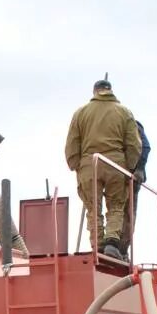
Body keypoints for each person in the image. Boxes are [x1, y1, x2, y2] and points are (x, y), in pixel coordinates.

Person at [64, 76, 144, 260]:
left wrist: (75, 164)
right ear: (110, 90)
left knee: (93, 208)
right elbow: (134, 144)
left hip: (88, 164)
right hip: (116, 165)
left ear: (95, 91)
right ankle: (112, 243)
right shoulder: (124, 112)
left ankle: (98, 246)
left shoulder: (80, 113)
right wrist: (130, 167)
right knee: (116, 206)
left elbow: (72, 143)